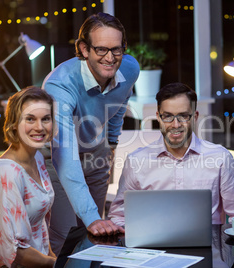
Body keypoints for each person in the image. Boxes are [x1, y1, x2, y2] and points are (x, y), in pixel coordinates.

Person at [42, 12, 138, 253]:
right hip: (57, 159)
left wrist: (112, 143)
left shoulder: (130, 68)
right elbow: (65, 154)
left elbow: (119, 103)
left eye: (117, 49)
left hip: (96, 152)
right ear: (84, 49)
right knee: (65, 237)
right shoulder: (59, 85)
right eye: (101, 50)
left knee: (97, 238)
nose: (111, 58)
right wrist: (91, 217)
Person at [108, 82, 234, 227]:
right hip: (151, 248)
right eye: (168, 116)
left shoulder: (221, 158)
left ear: (195, 116)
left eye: (183, 116)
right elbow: (118, 216)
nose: (176, 125)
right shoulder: (136, 161)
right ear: (158, 117)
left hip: (209, 247)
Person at [0, 87, 56, 267]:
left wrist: (54, 257)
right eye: (30, 119)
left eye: (45, 119)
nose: (39, 127)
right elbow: (15, 253)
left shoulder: (38, 158)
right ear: (14, 123)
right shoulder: (7, 172)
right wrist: (57, 264)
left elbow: (39, 225)